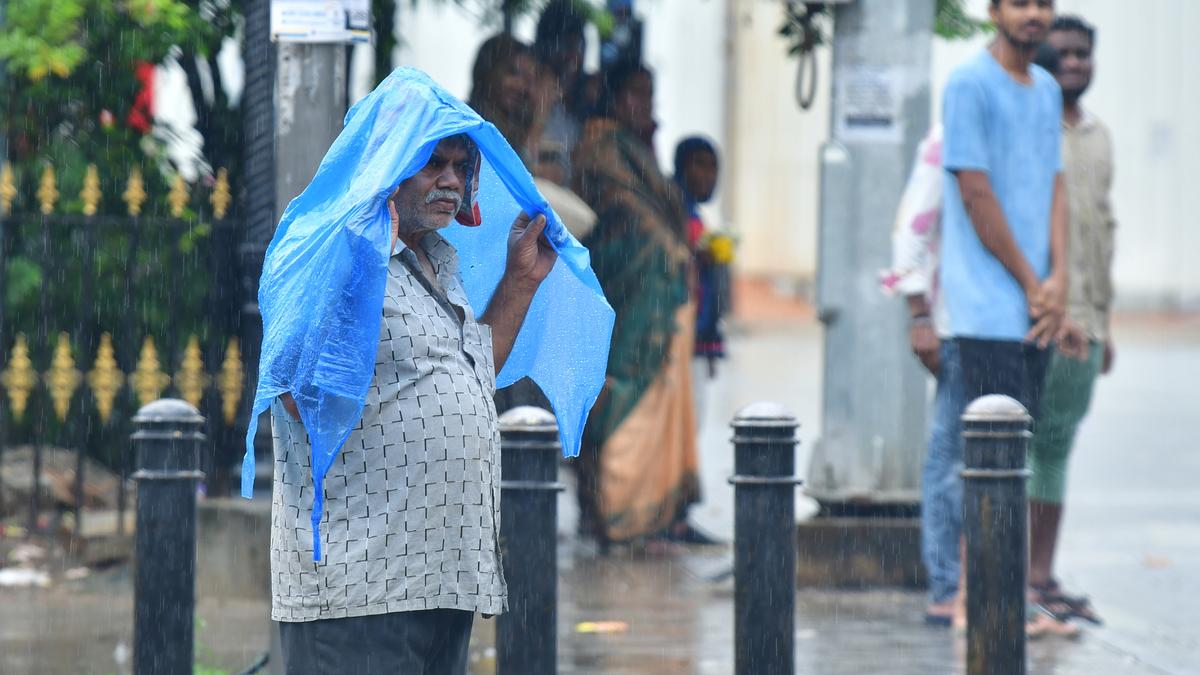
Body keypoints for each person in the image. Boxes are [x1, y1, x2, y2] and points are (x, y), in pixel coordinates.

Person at [270, 133, 557, 672]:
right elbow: (291, 389)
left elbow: (461, 374)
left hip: (439, 579)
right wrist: (361, 260)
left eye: (460, 166)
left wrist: (520, 282)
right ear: (387, 170)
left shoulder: (437, 261)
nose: (450, 180)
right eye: (432, 165)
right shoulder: (330, 252)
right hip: (358, 588)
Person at [940, 0, 1083, 637]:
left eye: (1042, 4)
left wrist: (1057, 284)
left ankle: (1012, 600)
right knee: (987, 458)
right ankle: (976, 601)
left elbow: (1056, 188)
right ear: (994, 11)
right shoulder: (968, 84)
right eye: (1019, 3)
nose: (1033, 14)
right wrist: (1031, 282)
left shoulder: (1048, 89)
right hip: (987, 307)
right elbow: (976, 193)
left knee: (1017, 458)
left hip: (1036, 306)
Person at [572, 60, 702, 547]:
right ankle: (619, 510)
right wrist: (668, 251)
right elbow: (621, 208)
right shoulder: (602, 143)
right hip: (629, 288)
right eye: (634, 93)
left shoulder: (632, 145)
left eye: (649, 94)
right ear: (614, 96)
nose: (643, 104)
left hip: (654, 293)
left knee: (652, 387)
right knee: (622, 387)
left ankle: (651, 512)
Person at [1026, 14, 1114, 626]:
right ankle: (1019, 579)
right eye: (1065, 53)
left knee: (1057, 449)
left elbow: (1103, 233)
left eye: (1084, 53)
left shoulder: (1098, 135)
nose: (1075, 63)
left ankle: (1039, 577)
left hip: (1090, 322)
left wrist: (1104, 321)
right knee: (1027, 448)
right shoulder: (1032, 126)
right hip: (1040, 319)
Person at [674, 137, 730, 380]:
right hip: (679, 337)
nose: (709, 175)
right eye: (701, 165)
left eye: (714, 167)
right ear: (681, 167)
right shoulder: (675, 210)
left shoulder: (694, 213)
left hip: (696, 338)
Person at [532, 0, 598, 186]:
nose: (573, 58)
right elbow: (521, 164)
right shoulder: (524, 99)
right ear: (543, 49)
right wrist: (541, 108)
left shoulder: (589, 101)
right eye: (564, 47)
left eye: (579, 47)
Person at [468, 34, 540, 162]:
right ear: (488, 71)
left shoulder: (517, 127)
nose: (522, 87)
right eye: (513, 73)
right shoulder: (468, 126)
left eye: (529, 80)